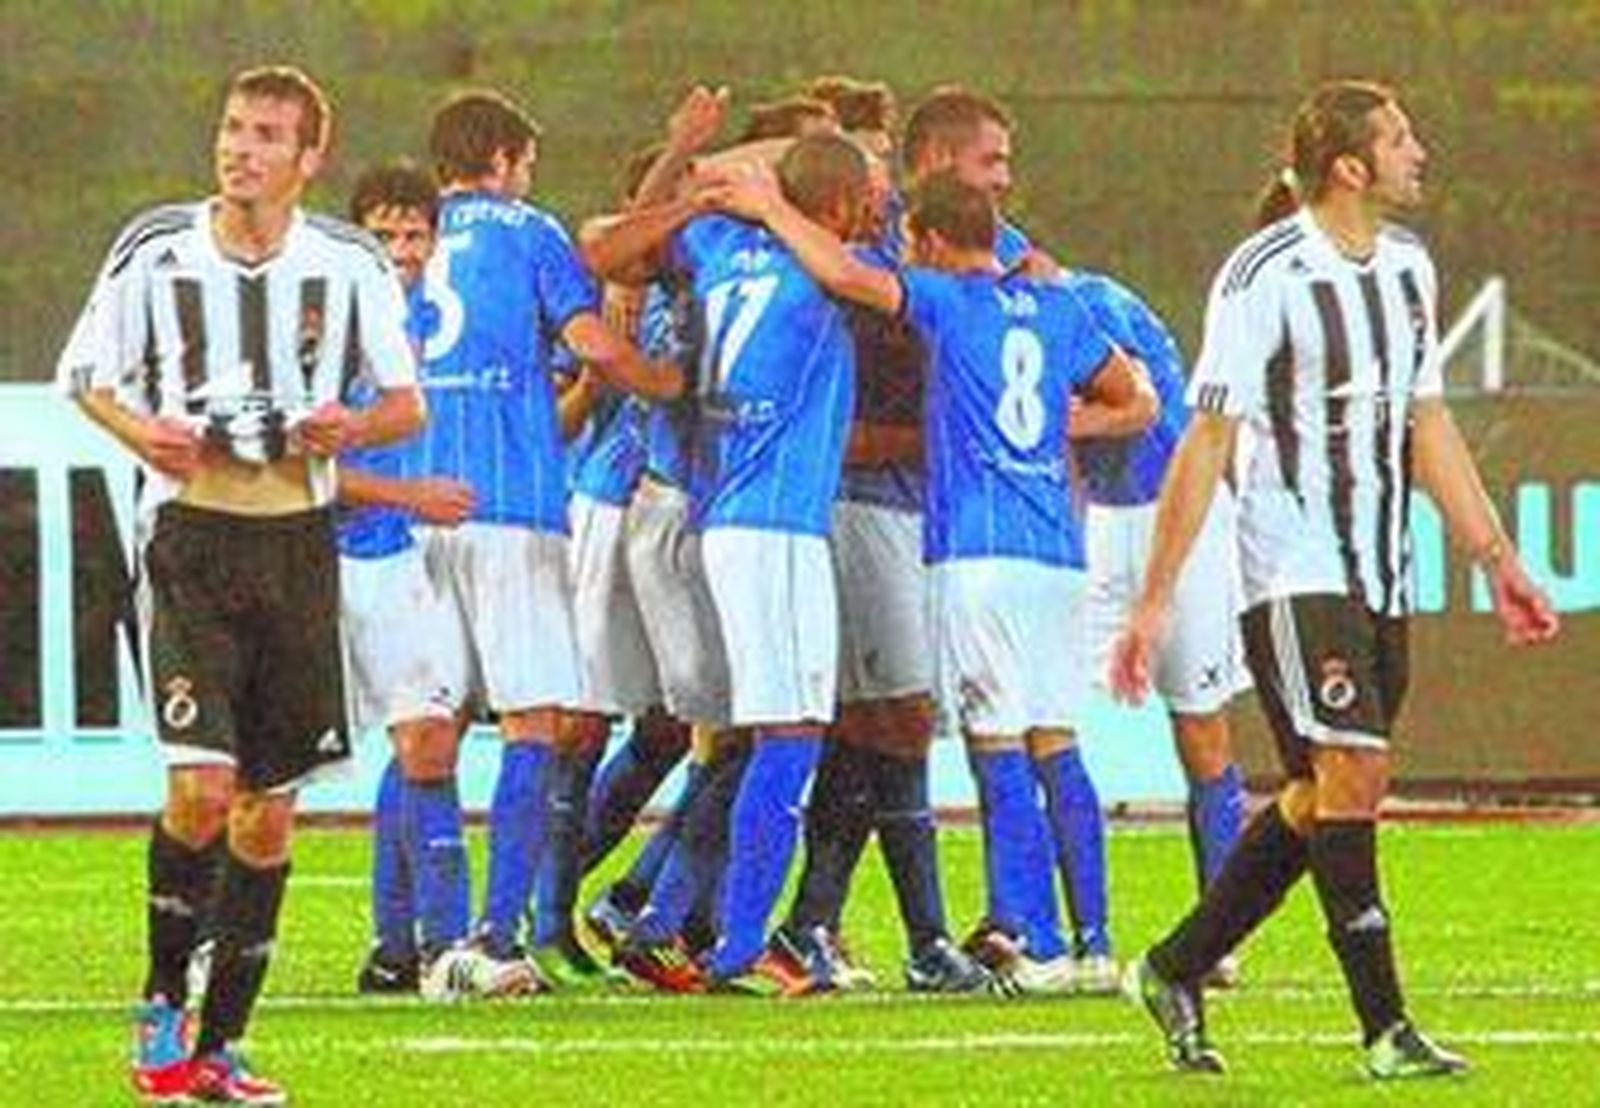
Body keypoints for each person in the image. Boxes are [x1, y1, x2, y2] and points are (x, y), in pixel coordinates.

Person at [1111, 79, 1559, 1078]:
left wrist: (1494, 556)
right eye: (1400, 137)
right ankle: (1384, 1029)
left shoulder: (1406, 269)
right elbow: (1208, 435)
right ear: (1349, 166)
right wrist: (1152, 599)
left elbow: (1425, 419)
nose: (1418, 151)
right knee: (1354, 771)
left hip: (1380, 567)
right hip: (1289, 561)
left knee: (1325, 789)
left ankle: (1175, 964)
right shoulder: (1261, 271)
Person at [59, 65, 425, 1104]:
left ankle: (219, 1048)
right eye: (232, 128)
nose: (241, 149)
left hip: (298, 544)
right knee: (201, 788)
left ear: (309, 157)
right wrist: (151, 435)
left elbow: (404, 405)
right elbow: (87, 377)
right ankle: (160, 1001)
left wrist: (347, 427)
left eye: (268, 134)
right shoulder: (154, 248)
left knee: (267, 813)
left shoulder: (348, 263)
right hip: (190, 543)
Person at [710, 164, 1156, 993]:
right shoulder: (1062, 308)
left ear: (934, 243)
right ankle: (1095, 942)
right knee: (1057, 739)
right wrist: (1069, 426)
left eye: (911, 238)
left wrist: (771, 205)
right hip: (1059, 550)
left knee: (996, 747)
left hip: (977, 555)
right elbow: (1139, 400)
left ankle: (1040, 943)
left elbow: (845, 273)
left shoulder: (945, 299)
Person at [410, 88, 683, 991]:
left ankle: (418, 942)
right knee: (534, 720)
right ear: (504, 160)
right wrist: (662, 379)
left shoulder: (401, 241)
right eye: (525, 161)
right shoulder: (527, 232)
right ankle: (495, 939)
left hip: (415, 506)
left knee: (429, 730)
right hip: (509, 508)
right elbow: (593, 343)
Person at [764, 77, 992, 995]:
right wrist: (940, 441)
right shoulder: (856, 294)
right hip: (861, 511)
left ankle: (822, 925)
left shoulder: (944, 286)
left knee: (887, 725)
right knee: (891, 720)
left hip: (908, 518)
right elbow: (836, 431)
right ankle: (889, 935)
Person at [1068, 269, 1250, 991]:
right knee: (1046, 723)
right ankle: (1077, 938)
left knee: (1200, 727)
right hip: (1105, 521)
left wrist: (1051, 423)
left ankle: (1219, 933)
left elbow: (1139, 407)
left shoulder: (1086, 303)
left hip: (1177, 513)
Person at [338, 161, 481, 997]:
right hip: (314, 563)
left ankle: (430, 948)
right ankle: (208, 939)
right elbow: (302, 467)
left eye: (412, 234)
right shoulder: (323, 330)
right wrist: (407, 492)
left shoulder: (429, 320)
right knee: (259, 774)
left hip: (393, 558)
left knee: (426, 740)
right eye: (382, 234)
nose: (398, 249)